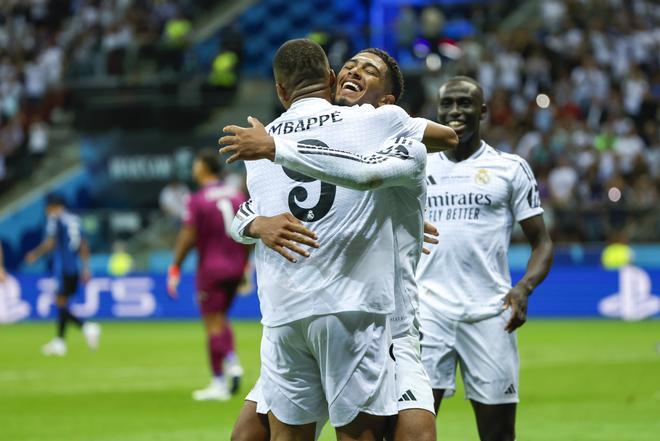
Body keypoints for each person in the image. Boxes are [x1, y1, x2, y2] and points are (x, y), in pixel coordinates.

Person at [220, 39, 456, 441]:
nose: (354, 72)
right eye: (349, 66)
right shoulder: (291, 139)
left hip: (385, 318)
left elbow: (387, 164)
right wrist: (256, 223)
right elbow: (249, 208)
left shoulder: (386, 125)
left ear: (389, 99)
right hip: (312, 312)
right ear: (330, 79)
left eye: (369, 70)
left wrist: (277, 148)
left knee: (417, 432)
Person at [416, 76, 554, 441]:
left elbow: (542, 242)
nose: (455, 111)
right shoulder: (417, 166)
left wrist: (523, 288)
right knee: (412, 431)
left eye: (464, 103)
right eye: (447, 104)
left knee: (498, 435)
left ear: (483, 111)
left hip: (492, 314)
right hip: (427, 312)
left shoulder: (510, 167)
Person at [167, 148, 250, 401]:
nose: (194, 168)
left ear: (204, 167)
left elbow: (187, 236)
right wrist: (245, 265)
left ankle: (226, 373)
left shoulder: (197, 199)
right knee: (221, 319)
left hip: (211, 269)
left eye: (196, 164)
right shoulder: (236, 195)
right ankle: (225, 370)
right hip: (236, 265)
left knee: (212, 324)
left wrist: (175, 267)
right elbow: (248, 231)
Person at [25, 194, 100, 356]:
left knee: (60, 302)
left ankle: (86, 327)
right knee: (62, 303)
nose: (46, 211)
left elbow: (51, 242)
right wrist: (86, 268)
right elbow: (84, 245)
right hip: (74, 269)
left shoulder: (55, 219)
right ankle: (60, 342)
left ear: (53, 207)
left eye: (47, 207)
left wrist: (35, 254)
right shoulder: (75, 219)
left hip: (62, 268)